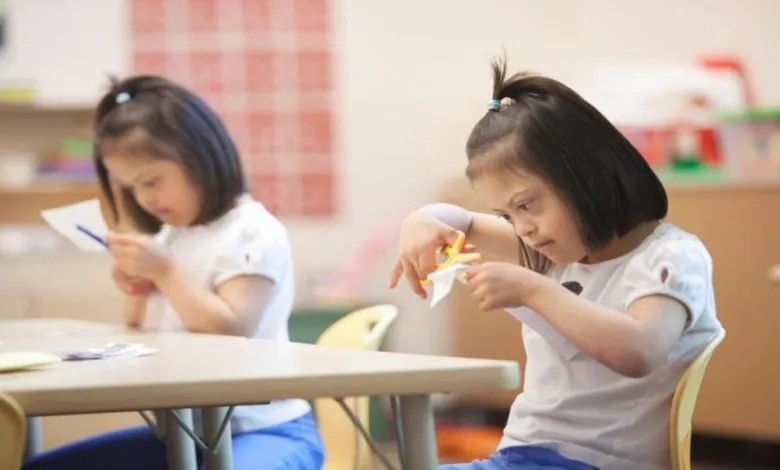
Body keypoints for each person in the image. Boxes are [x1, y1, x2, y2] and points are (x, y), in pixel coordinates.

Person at [390, 59, 723, 470]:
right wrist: (421, 221)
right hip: (526, 456)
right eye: (508, 215)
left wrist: (533, 290)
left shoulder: (669, 257)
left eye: (526, 205)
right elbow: (462, 221)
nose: (522, 229)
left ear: (589, 176)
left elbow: (640, 351)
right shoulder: (557, 250)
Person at [23, 76, 324, 470]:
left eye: (151, 181)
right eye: (132, 188)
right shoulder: (173, 235)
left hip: (266, 429)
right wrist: (138, 286)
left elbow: (232, 329)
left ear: (200, 158)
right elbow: (139, 330)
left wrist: (165, 272)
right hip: (184, 437)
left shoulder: (252, 230)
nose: (145, 198)